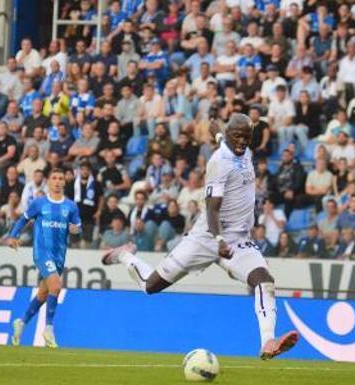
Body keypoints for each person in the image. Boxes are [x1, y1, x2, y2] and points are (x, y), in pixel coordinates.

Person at [101, 114, 298, 360]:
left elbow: (226, 140)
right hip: (207, 237)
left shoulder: (241, 151)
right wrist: (218, 240)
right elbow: (212, 207)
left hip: (238, 239)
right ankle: (125, 255)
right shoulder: (218, 162)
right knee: (150, 286)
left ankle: (268, 341)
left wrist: (218, 133)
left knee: (264, 281)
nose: (242, 142)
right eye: (237, 136)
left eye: (246, 137)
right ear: (228, 136)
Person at [8, 168, 81, 348]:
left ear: (65, 182)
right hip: (42, 253)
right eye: (54, 178)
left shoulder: (71, 206)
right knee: (56, 285)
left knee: (44, 292)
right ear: (49, 181)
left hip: (59, 255)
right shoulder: (39, 203)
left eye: (61, 178)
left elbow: (78, 227)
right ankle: (48, 328)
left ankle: (21, 322)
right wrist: (13, 235)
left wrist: (76, 230)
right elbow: (23, 219)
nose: (57, 181)